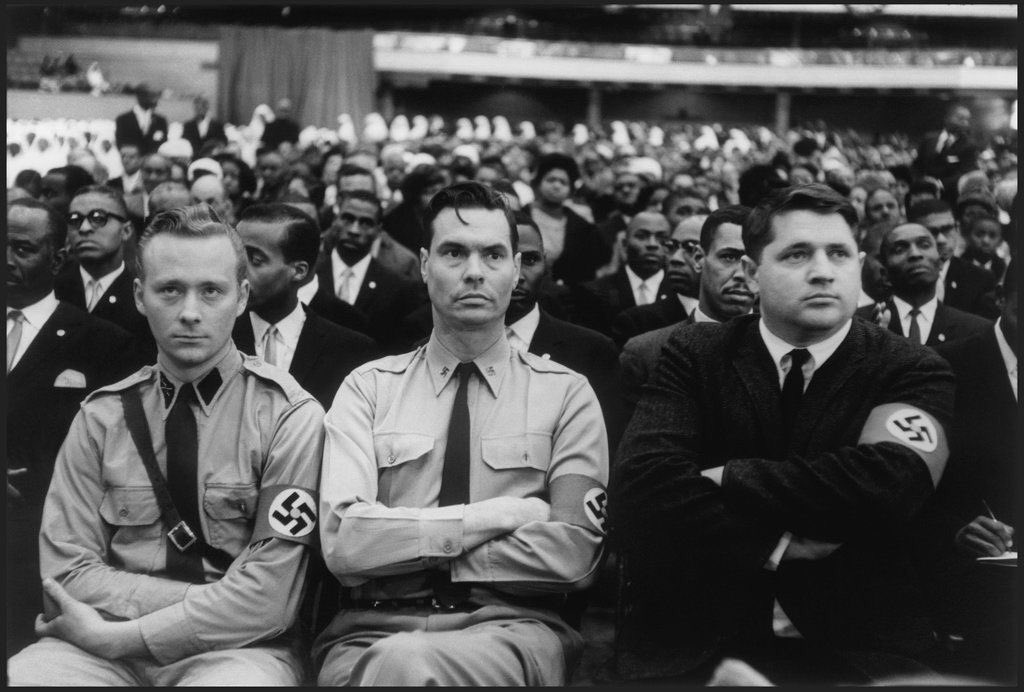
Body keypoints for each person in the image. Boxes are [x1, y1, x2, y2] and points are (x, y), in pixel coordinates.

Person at [612, 184, 955, 684]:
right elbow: (640, 492)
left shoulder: (911, 367)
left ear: (859, 265)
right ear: (752, 273)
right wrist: (772, 544)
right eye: (797, 254)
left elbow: (890, 483)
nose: (822, 271)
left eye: (838, 253)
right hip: (696, 644)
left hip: (858, 647)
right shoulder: (694, 353)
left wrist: (730, 476)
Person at [8, 204, 325, 685]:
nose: (190, 313)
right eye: (170, 290)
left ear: (242, 297)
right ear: (140, 296)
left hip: (235, 651)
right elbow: (65, 576)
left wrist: (124, 635)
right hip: (94, 647)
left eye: (211, 291)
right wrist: (211, 600)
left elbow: (268, 601)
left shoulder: (289, 417)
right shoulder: (100, 418)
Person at [315, 182, 608, 685]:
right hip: (368, 631)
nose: (474, 271)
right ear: (424, 265)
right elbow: (344, 544)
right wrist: (501, 516)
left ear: (516, 268)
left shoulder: (566, 395)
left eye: (493, 254)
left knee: (404, 665)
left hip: (513, 629)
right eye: (454, 252)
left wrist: (410, 549)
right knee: (395, 661)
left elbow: (574, 554)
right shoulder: (368, 389)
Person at [6, 198, 139, 658]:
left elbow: (112, 451)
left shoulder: (100, 341)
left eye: (22, 249)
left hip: (42, 544)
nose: (7, 259)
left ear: (57, 257)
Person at [917, 260, 1017, 684]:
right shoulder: (943, 366)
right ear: (1002, 300)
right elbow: (908, 482)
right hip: (968, 598)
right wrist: (954, 530)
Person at [232, 203, 378, 409]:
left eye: (256, 260)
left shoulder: (351, 351)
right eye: (236, 257)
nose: (238, 270)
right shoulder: (218, 334)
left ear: (299, 271)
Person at [619, 205, 756, 417]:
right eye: (729, 257)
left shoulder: (785, 351)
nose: (741, 274)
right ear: (699, 259)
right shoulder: (646, 354)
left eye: (753, 261)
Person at [53, 185, 156, 358]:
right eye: (74, 219)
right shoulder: (52, 289)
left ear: (126, 230)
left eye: (98, 218)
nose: (84, 228)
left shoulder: (143, 295)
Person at [315, 189, 425, 348]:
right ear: (335, 220)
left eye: (366, 223)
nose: (354, 230)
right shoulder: (311, 276)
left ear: (378, 230)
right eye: (347, 219)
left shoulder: (397, 288)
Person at [858, 222, 991, 348]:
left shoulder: (977, 330)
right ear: (885, 274)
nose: (915, 254)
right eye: (899, 249)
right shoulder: (859, 325)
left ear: (940, 263)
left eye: (924, 245)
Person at [573, 211, 674, 338]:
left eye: (662, 238)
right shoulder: (595, 292)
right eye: (641, 236)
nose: (652, 244)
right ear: (625, 244)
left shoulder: (678, 292)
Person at [611, 214, 706, 347]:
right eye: (672, 247)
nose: (675, 258)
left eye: (691, 248)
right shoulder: (638, 322)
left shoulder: (734, 318)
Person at [523, 152, 609, 287]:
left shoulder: (581, 226)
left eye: (563, 182)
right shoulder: (522, 215)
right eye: (551, 180)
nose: (556, 186)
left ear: (570, 189)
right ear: (539, 182)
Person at [907, 199, 998, 318]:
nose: (941, 240)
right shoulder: (903, 277)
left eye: (947, 229)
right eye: (931, 232)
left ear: (957, 228)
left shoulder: (981, 278)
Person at [913, 104, 980, 206]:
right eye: (960, 118)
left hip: (951, 195)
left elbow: (965, 172)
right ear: (947, 118)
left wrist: (939, 184)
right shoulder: (929, 139)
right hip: (924, 192)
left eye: (967, 120)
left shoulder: (969, 145)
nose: (965, 123)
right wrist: (921, 181)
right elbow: (917, 165)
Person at [114, 83, 169, 156]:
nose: (155, 100)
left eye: (156, 96)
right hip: (131, 159)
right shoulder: (123, 119)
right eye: (151, 96)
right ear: (140, 97)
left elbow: (163, 144)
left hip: (153, 160)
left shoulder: (161, 120)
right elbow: (120, 144)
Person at [960, 214, 1007, 281]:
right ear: (968, 237)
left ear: (1000, 241)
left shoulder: (1004, 270)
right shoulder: (958, 266)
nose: (986, 241)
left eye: (992, 236)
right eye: (979, 235)